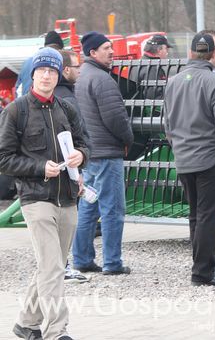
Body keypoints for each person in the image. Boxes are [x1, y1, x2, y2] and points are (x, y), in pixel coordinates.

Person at [0, 47, 89, 340]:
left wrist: (81, 155)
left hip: (67, 199)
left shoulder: (68, 109)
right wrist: (40, 167)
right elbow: (4, 159)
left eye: (52, 71)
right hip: (35, 199)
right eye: (42, 71)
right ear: (33, 74)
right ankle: (56, 332)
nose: (47, 76)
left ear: (58, 74)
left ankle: (26, 324)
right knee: (53, 267)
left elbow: (85, 144)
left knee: (51, 266)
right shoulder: (16, 110)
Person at [163, 31, 215, 287]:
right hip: (210, 159)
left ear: (192, 53)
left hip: (184, 158)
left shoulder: (173, 82)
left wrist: (179, 148)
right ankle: (202, 272)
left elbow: (168, 124)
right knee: (208, 217)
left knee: (196, 216)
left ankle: (205, 264)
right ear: (209, 53)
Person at [71, 31, 134, 276]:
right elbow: (115, 118)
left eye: (111, 47)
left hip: (89, 153)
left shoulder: (82, 77)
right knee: (113, 209)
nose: (112, 51)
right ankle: (112, 262)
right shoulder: (103, 79)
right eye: (106, 48)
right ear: (92, 53)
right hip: (107, 152)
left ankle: (82, 258)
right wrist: (128, 139)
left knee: (88, 205)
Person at [55, 49, 91, 285]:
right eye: (76, 66)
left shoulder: (60, 96)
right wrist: (76, 173)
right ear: (65, 70)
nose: (80, 69)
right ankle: (62, 267)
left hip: (56, 170)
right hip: (63, 171)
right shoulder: (66, 100)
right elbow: (73, 139)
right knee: (65, 223)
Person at [15, 30, 64, 99]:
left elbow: (18, 88)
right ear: (59, 49)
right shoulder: (56, 63)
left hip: (24, 104)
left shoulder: (27, 62)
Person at [132, 34, 173, 99]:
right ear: (159, 50)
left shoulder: (138, 63)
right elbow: (154, 97)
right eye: (166, 49)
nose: (167, 53)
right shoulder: (153, 68)